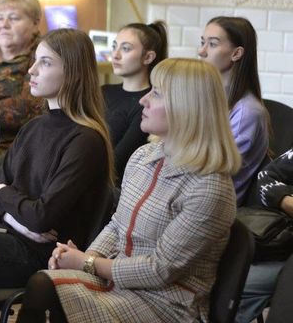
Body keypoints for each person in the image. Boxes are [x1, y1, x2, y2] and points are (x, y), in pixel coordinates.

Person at [17, 58, 241, 323]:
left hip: (166, 304)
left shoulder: (209, 187)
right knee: (44, 284)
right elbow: (117, 225)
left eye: (156, 93)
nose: (143, 100)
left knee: (46, 289)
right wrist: (88, 256)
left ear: (187, 107)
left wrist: (86, 264)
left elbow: (159, 270)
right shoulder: (143, 157)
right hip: (117, 283)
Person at [0, 28, 113, 290]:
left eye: (45, 63)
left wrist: (1, 193)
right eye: (35, 60)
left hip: (39, 257)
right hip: (7, 235)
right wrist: (15, 219)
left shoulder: (86, 140)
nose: (31, 70)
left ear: (73, 73)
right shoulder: (33, 128)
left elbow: (40, 218)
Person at [199, 16, 269, 205]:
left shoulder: (248, 112)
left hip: (214, 204)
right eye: (202, 42)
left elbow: (215, 169)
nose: (201, 51)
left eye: (212, 44)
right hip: (193, 192)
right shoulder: (207, 98)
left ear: (236, 53)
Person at [0, 0, 45, 152]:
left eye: (14, 18)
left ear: (35, 23)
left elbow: (26, 110)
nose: (4, 25)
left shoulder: (42, 55)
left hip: (7, 149)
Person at [103, 20, 168, 184]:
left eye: (125, 48)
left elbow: (117, 164)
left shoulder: (148, 105)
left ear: (148, 57)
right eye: (114, 47)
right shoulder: (103, 91)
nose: (115, 55)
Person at [235, 148, 293, 323]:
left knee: (237, 287)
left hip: (284, 257)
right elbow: (266, 177)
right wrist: (286, 200)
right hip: (277, 240)